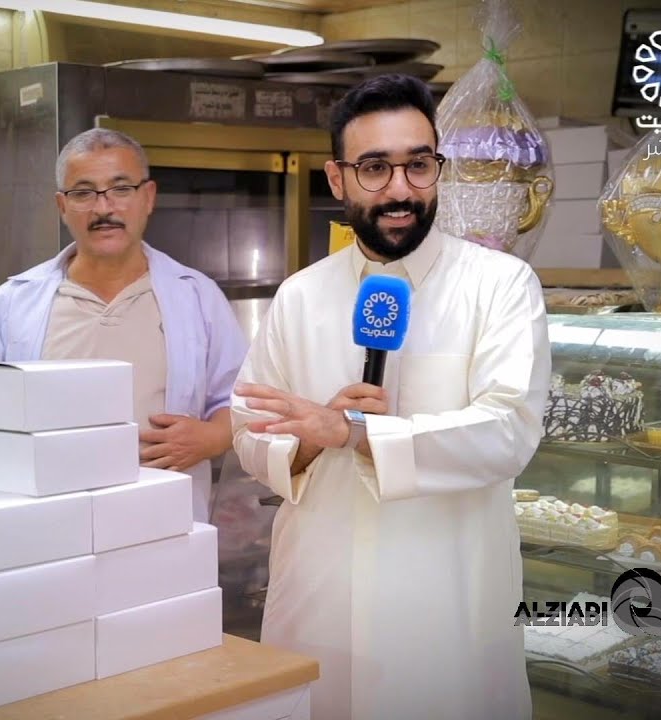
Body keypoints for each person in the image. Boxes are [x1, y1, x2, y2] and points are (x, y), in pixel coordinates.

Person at [231, 74, 550, 719]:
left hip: (445, 605)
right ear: (337, 179)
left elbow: (508, 430)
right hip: (320, 595)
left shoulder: (500, 285)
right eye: (375, 168)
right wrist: (309, 441)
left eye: (418, 165)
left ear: (439, 169)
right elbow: (249, 430)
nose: (400, 189)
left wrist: (358, 434)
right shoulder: (300, 295)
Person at [0, 128, 247, 522]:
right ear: (62, 205)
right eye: (83, 193)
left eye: (121, 189)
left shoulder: (197, 297)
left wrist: (211, 438)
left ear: (148, 197)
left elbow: (243, 403)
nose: (103, 208)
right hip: (46, 528)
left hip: (163, 526)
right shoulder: (14, 303)